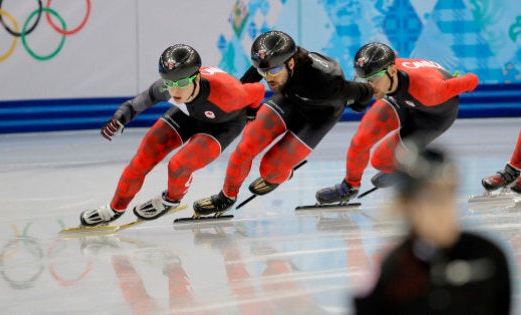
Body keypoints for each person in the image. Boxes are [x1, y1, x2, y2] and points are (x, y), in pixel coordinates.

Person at [79, 44, 265, 226]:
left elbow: (258, 91)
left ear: (197, 78)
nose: (175, 91)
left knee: (179, 165)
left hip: (224, 124)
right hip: (188, 116)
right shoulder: (165, 88)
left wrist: (251, 113)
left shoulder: (228, 93)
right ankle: (114, 209)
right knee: (143, 157)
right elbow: (134, 105)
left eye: (182, 83)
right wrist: (120, 117)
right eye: (170, 83)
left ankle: (171, 199)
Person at [193, 30, 374, 216]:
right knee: (246, 147)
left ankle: (282, 173)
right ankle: (226, 198)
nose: (268, 77)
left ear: (292, 63)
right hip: (290, 100)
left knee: (270, 169)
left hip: (318, 118)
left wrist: (359, 106)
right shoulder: (270, 64)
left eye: (274, 71)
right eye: (263, 71)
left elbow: (364, 91)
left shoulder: (326, 83)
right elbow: (241, 89)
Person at [353, 144, 511, 314]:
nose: (443, 210)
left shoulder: (488, 257)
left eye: (448, 194)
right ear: (408, 206)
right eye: (431, 199)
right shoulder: (396, 271)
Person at [315, 42, 479, 205]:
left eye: (374, 79)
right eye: (364, 80)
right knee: (360, 140)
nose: (369, 86)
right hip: (401, 99)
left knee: (379, 161)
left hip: (432, 116)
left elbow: (472, 80)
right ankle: (350, 186)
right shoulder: (386, 74)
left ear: (392, 71)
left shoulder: (431, 89)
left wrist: (453, 81)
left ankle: (404, 170)